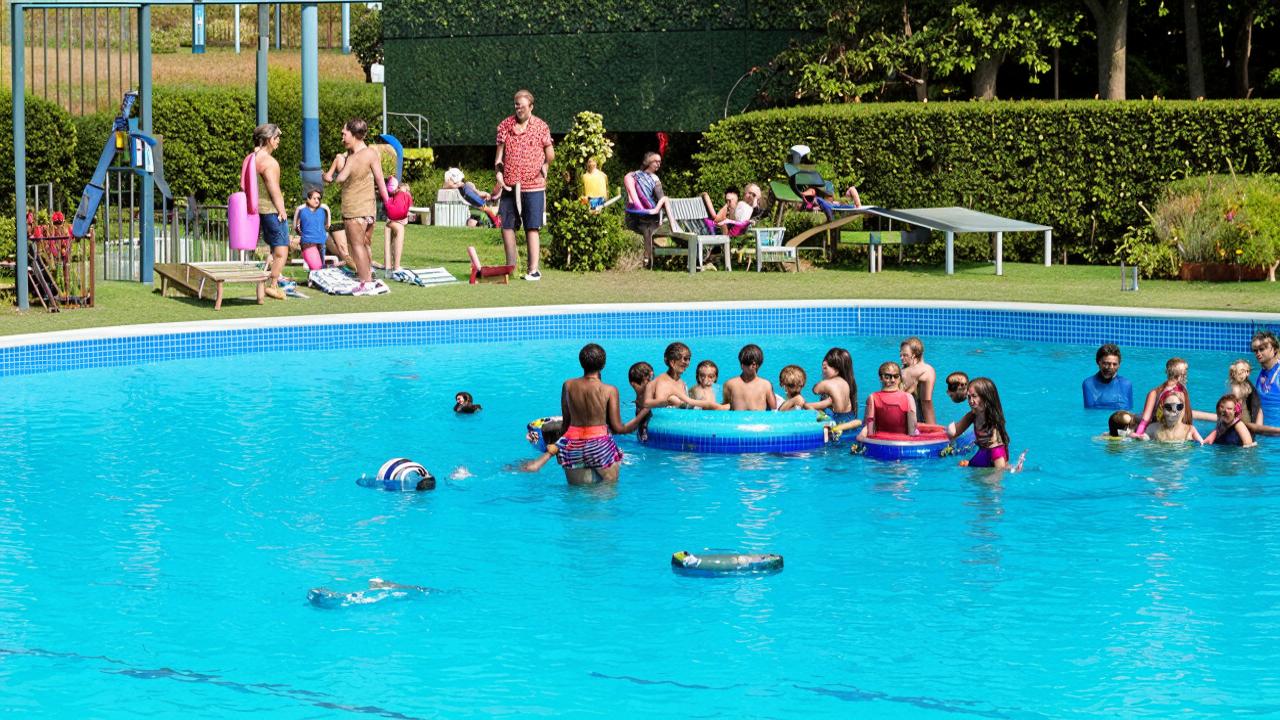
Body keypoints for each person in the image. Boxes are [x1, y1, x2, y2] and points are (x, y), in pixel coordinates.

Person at [557, 343, 649, 485]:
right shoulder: (610, 390)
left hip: (573, 446)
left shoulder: (568, 385)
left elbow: (566, 424)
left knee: (577, 495)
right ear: (603, 365)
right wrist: (644, 411)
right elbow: (619, 428)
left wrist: (558, 447)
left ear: (581, 362)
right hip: (600, 446)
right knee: (608, 491)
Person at [494, 89, 554, 281]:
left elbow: (550, 153)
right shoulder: (505, 126)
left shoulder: (541, 127)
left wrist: (546, 164)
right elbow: (498, 158)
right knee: (507, 225)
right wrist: (499, 174)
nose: (518, 108)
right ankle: (510, 267)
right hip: (510, 185)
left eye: (522, 105)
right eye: (516, 105)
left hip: (534, 184)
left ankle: (533, 270)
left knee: (532, 226)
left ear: (531, 107)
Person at [330, 118, 392, 296]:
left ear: (354, 135)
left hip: (354, 209)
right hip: (369, 209)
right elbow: (380, 180)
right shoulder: (372, 153)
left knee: (356, 247)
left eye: (344, 133)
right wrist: (388, 204)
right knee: (363, 246)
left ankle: (366, 282)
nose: (342, 136)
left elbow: (340, 179)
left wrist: (330, 175)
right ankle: (368, 279)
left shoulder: (353, 158)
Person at [251, 123, 289, 300]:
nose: (278, 141)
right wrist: (282, 211)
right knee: (282, 250)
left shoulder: (252, 157)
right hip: (271, 210)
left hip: (257, 209)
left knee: (271, 249)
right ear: (268, 140)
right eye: (276, 138)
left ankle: (267, 281)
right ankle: (273, 285)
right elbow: (274, 190)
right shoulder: (270, 162)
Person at [947, 377, 1011, 468]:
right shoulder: (972, 416)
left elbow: (997, 449)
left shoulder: (993, 422)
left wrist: (998, 471)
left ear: (986, 398)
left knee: (995, 475)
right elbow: (955, 432)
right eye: (969, 397)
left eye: (974, 396)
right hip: (982, 453)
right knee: (961, 465)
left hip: (995, 454)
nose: (970, 400)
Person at [624, 152, 674, 267]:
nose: (658, 164)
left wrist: (656, 209)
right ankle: (648, 259)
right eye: (656, 161)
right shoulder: (634, 176)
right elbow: (631, 197)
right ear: (648, 162)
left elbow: (661, 198)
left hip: (652, 214)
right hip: (636, 215)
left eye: (660, 162)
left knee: (648, 227)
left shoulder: (654, 178)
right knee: (646, 226)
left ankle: (648, 259)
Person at [857, 361, 918, 440]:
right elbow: (912, 428)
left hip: (880, 443)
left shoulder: (873, 397)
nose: (892, 380)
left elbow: (869, 427)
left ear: (900, 378)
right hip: (902, 442)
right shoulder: (908, 397)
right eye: (887, 376)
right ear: (880, 378)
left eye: (896, 376)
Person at [1134, 358, 1193, 437]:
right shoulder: (1183, 390)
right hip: (1179, 434)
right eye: (1186, 370)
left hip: (1160, 433)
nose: (1187, 373)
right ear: (1180, 373)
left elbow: (1145, 420)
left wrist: (1138, 435)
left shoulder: (1154, 393)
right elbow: (1186, 418)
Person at [806, 347, 857, 422]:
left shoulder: (827, 383)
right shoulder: (847, 383)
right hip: (849, 417)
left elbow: (815, 390)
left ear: (836, 370)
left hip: (837, 420)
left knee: (806, 406)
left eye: (825, 368)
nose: (823, 371)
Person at [1135, 388, 1202, 443]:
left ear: (1182, 409)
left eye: (1179, 407)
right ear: (1162, 409)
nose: (1174, 410)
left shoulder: (1189, 430)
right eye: (1168, 407)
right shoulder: (1153, 428)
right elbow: (1141, 443)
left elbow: (1202, 445)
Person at [723, 344, 777, 411]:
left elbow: (725, 406)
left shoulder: (729, 383)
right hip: (758, 420)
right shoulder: (766, 384)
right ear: (757, 365)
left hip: (738, 420)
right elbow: (774, 406)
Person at [1082, 343, 1133, 410]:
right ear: (1098, 362)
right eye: (1106, 363)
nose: (1110, 367)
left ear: (1119, 365)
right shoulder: (1088, 384)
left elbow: (1129, 412)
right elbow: (1090, 412)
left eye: (1114, 364)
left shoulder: (1126, 384)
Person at [899, 338, 937, 424]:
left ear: (914, 355)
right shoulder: (927, 370)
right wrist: (933, 428)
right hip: (916, 420)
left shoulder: (899, 371)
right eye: (900, 355)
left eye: (905, 355)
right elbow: (926, 402)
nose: (901, 358)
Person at [293, 189, 330, 271]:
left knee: (320, 268)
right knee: (316, 267)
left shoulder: (323, 209)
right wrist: (303, 235)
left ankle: (311, 282)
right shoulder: (301, 210)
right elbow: (295, 226)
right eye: (314, 198)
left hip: (321, 242)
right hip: (308, 242)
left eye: (319, 199)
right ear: (308, 199)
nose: (317, 200)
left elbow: (328, 225)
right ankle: (312, 281)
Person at [382, 176, 412, 275]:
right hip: (391, 221)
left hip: (393, 220)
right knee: (398, 230)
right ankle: (395, 266)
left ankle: (393, 265)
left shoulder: (403, 200)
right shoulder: (396, 198)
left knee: (395, 236)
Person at [1253, 330, 1280, 425]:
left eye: (1262, 349)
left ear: (1275, 349)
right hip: (1264, 430)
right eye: (1255, 350)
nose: (1258, 353)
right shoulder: (1263, 373)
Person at [628, 361, 654, 441]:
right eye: (647, 380)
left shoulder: (650, 392)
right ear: (634, 384)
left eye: (652, 378)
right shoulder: (642, 395)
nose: (651, 382)